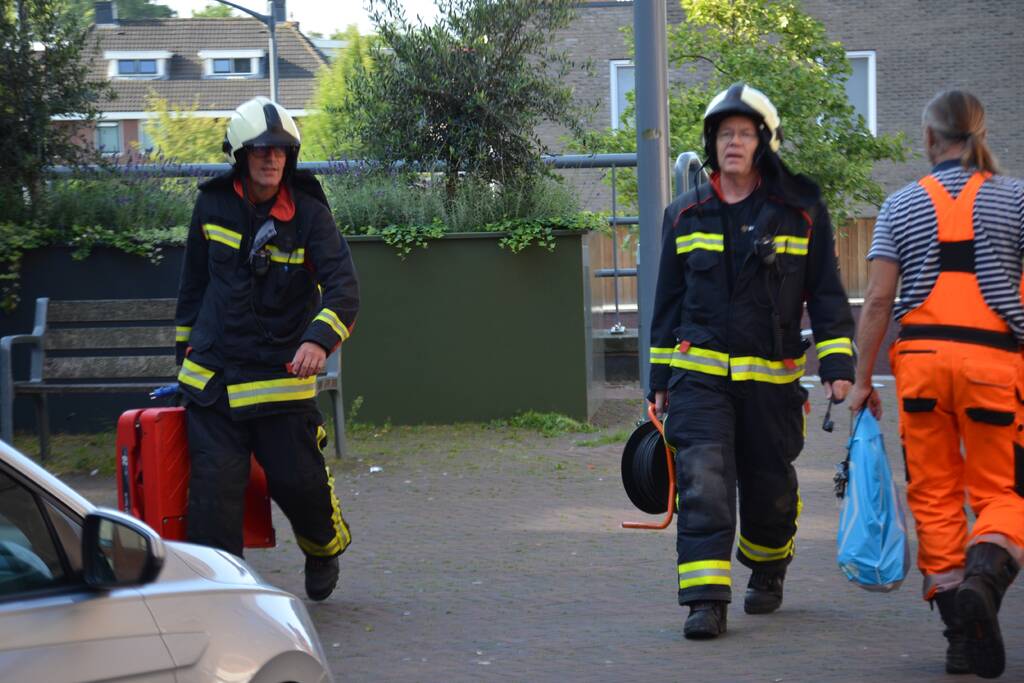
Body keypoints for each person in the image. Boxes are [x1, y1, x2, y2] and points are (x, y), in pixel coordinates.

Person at [649, 84, 855, 639]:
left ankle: (768, 567)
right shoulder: (684, 214)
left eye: (743, 133)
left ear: (764, 142)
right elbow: (667, 302)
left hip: (772, 382)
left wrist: (837, 364)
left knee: (769, 490)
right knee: (703, 483)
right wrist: (659, 380)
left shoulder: (801, 213)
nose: (732, 143)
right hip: (700, 378)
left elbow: (827, 293)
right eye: (723, 134)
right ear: (710, 144)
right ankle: (705, 601)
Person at [849, 90, 1023, 679]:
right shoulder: (1018, 199)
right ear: (979, 133)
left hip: (920, 366)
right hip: (994, 365)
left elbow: (878, 301)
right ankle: (984, 579)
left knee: (935, 494)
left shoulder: (900, 205)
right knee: (1004, 491)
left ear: (929, 139)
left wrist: (859, 382)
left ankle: (959, 637)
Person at [174, 96, 359, 601]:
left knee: (298, 485)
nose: (271, 159)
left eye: (280, 150)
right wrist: (184, 355)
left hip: (280, 379)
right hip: (213, 383)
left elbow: (344, 290)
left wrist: (319, 341)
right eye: (260, 150)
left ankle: (324, 548)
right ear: (240, 155)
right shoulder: (211, 204)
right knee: (214, 496)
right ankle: (221, 596)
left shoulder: (310, 215)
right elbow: (193, 286)